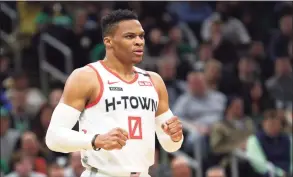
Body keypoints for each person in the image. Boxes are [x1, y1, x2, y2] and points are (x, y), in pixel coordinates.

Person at [45, 9, 184, 177]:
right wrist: (95, 140)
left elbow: (170, 146)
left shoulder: (154, 81)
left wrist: (175, 136)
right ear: (108, 41)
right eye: (130, 36)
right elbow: (53, 137)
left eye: (141, 36)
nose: (139, 42)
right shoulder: (86, 77)